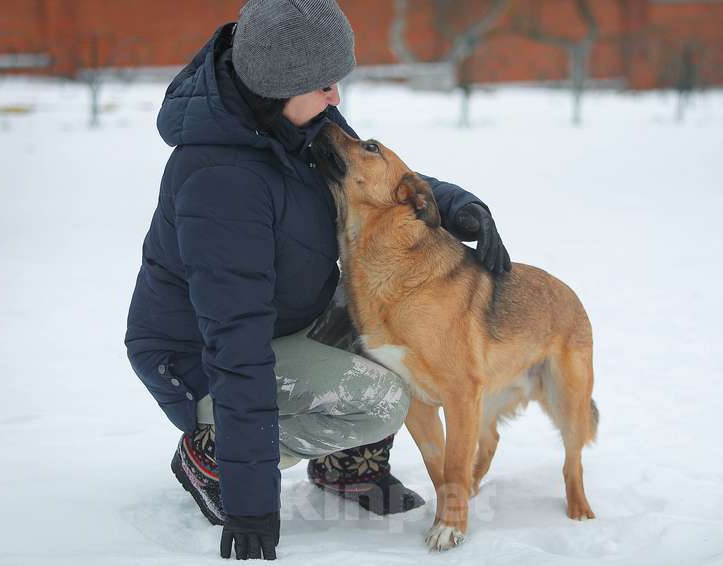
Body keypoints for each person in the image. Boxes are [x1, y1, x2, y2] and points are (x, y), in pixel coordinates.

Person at [124, 0, 511, 560]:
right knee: (383, 399)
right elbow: (236, 341)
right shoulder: (221, 183)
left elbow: (372, 175)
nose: (337, 97)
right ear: (281, 82)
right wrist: (250, 498)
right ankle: (210, 457)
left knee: (399, 325)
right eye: (326, 84)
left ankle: (345, 468)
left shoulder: (298, 121)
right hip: (200, 356)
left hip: (285, 313)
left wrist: (455, 207)